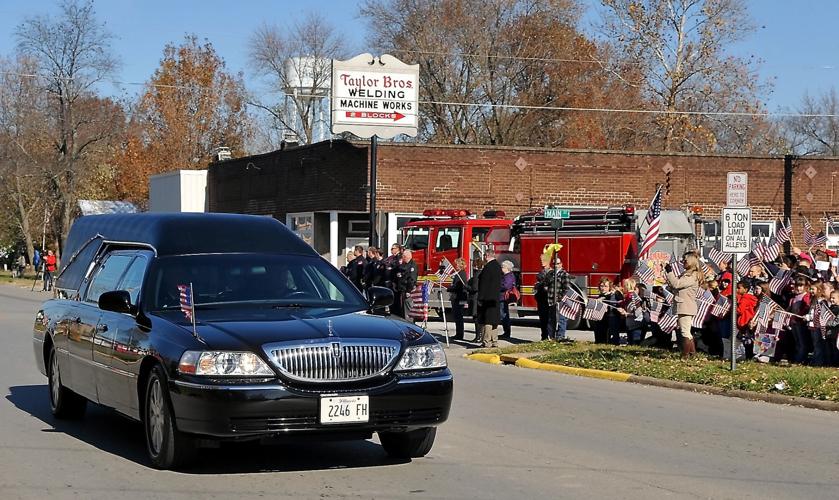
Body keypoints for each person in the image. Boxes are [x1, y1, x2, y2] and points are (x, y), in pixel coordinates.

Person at [665, 252, 703, 358]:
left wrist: (669, 271)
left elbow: (676, 284)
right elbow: (676, 287)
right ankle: (692, 353)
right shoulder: (687, 275)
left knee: (685, 332)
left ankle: (685, 354)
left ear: (691, 262)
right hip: (684, 305)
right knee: (686, 331)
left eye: (685, 261)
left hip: (686, 306)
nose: (683, 263)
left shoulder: (691, 276)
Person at [476, 248, 502, 348]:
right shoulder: (497, 266)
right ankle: (495, 341)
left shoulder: (487, 268)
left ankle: (486, 341)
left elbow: (484, 284)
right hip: (495, 297)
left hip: (487, 298)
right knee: (494, 320)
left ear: (486, 256)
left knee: (488, 320)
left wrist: (480, 298)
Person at [543, 256, 570, 341]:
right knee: (551, 319)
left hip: (560, 301)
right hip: (550, 300)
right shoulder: (550, 273)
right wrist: (545, 287)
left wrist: (559, 298)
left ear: (561, 264)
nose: (555, 265)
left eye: (557, 263)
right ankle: (551, 337)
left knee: (561, 319)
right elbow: (545, 283)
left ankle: (560, 337)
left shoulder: (564, 274)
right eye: (554, 263)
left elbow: (566, 288)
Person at [594, 277, 623, 344]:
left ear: (609, 287)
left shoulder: (614, 295)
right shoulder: (600, 296)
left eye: (605, 286)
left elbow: (621, 301)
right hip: (599, 321)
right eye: (601, 286)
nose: (603, 288)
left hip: (609, 321)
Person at [446, 258, 469, 340]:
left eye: (456, 264)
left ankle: (460, 334)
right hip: (457, 297)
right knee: (457, 316)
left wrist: (450, 288)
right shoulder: (458, 273)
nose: (455, 266)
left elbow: (459, 287)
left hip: (460, 298)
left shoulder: (461, 274)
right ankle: (458, 333)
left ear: (460, 265)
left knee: (458, 315)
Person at [395, 249, 418, 320]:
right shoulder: (405, 265)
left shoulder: (412, 265)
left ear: (406, 257)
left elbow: (412, 279)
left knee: (408, 311)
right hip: (402, 290)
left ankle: (410, 326)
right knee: (403, 310)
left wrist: (408, 291)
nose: (402, 258)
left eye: (403, 256)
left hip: (408, 291)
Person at [534, 254, 552, 340]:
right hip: (541, 299)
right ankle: (544, 336)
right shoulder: (540, 273)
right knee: (542, 319)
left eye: (544, 260)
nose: (542, 261)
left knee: (549, 319)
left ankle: (550, 336)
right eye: (541, 260)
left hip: (549, 299)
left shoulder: (551, 273)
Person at [498, 260, 516, 339]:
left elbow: (506, 286)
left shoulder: (509, 276)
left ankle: (507, 332)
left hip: (503, 297)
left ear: (507, 268)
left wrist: (497, 286)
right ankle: (506, 332)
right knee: (503, 314)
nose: (501, 268)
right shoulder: (505, 275)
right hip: (501, 297)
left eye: (503, 267)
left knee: (504, 315)